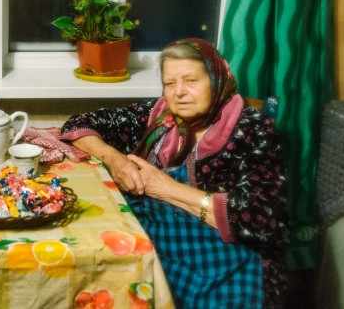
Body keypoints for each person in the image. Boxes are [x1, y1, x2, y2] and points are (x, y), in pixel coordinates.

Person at [60, 38, 288, 308]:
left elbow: (263, 220)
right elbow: (79, 124)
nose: (179, 92)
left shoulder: (252, 129)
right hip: (159, 245)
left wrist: (166, 188)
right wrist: (116, 159)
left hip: (223, 260)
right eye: (170, 83)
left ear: (216, 80)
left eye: (191, 81)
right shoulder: (160, 115)